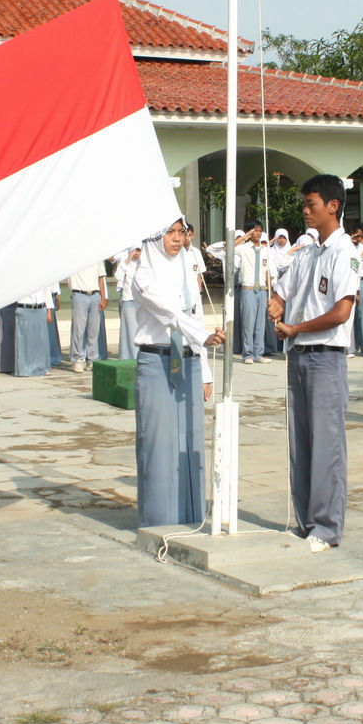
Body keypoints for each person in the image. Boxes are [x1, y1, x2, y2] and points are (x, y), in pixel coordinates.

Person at [269, 174, 359, 553]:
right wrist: (274, 303)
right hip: (299, 356)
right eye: (304, 205)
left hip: (325, 357)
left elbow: (340, 312)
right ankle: (305, 520)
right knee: (300, 442)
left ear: (333, 206)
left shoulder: (345, 252)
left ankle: (326, 526)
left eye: (312, 205)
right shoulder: (305, 253)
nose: (305, 212)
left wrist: (296, 328)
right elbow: (283, 292)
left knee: (326, 445)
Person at [132, 218, 226, 528]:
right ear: (156, 236)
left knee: (191, 442)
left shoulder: (187, 269)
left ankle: (190, 516)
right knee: (158, 444)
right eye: (170, 232)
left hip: (188, 360)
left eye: (181, 232)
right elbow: (169, 314)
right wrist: (202, 337)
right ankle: (160, 521)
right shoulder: (144, 273)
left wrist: (205, 369)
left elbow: (194, 315)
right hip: (158, 360)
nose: (177, 239)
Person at [232, 221, 271, 364]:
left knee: (260, 324)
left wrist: (269, 294)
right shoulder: (243, 248)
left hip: (261, 290)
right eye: (255, 230)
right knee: (248, 323)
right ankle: (248, 354)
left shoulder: (266, 250)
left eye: (260, 230)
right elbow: (228, 247)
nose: (258, 233)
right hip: (248, 289)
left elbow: (268, 272)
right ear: (249, 232)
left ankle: (259, 353)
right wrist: (244, 238)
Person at [68, 259, 108, 373]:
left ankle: (92, 359)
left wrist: (103, 297)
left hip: (95, 295)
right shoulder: (74, 259)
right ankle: (77, 359)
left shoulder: (97, 258)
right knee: (78, 329)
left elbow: (101, 278)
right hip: (80, 294)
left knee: (93, 330)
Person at [14, 286, 54, 377]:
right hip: (24, 307)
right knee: (25, 341)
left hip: (40, 308)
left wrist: (49, 311)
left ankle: (42, 368)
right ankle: (24, 369)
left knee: (41, 340)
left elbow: (47, 292)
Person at [114, 246, 143, 360]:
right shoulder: (125, 264)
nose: (137, 253)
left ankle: (140, 356)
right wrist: (128, 259)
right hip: (129, 300)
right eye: (134, 251)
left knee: (141, 330)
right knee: (130, 331)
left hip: (141, 300)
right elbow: (118, 276)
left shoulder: (144, 264)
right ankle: (129, 357)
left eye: (139, 251)